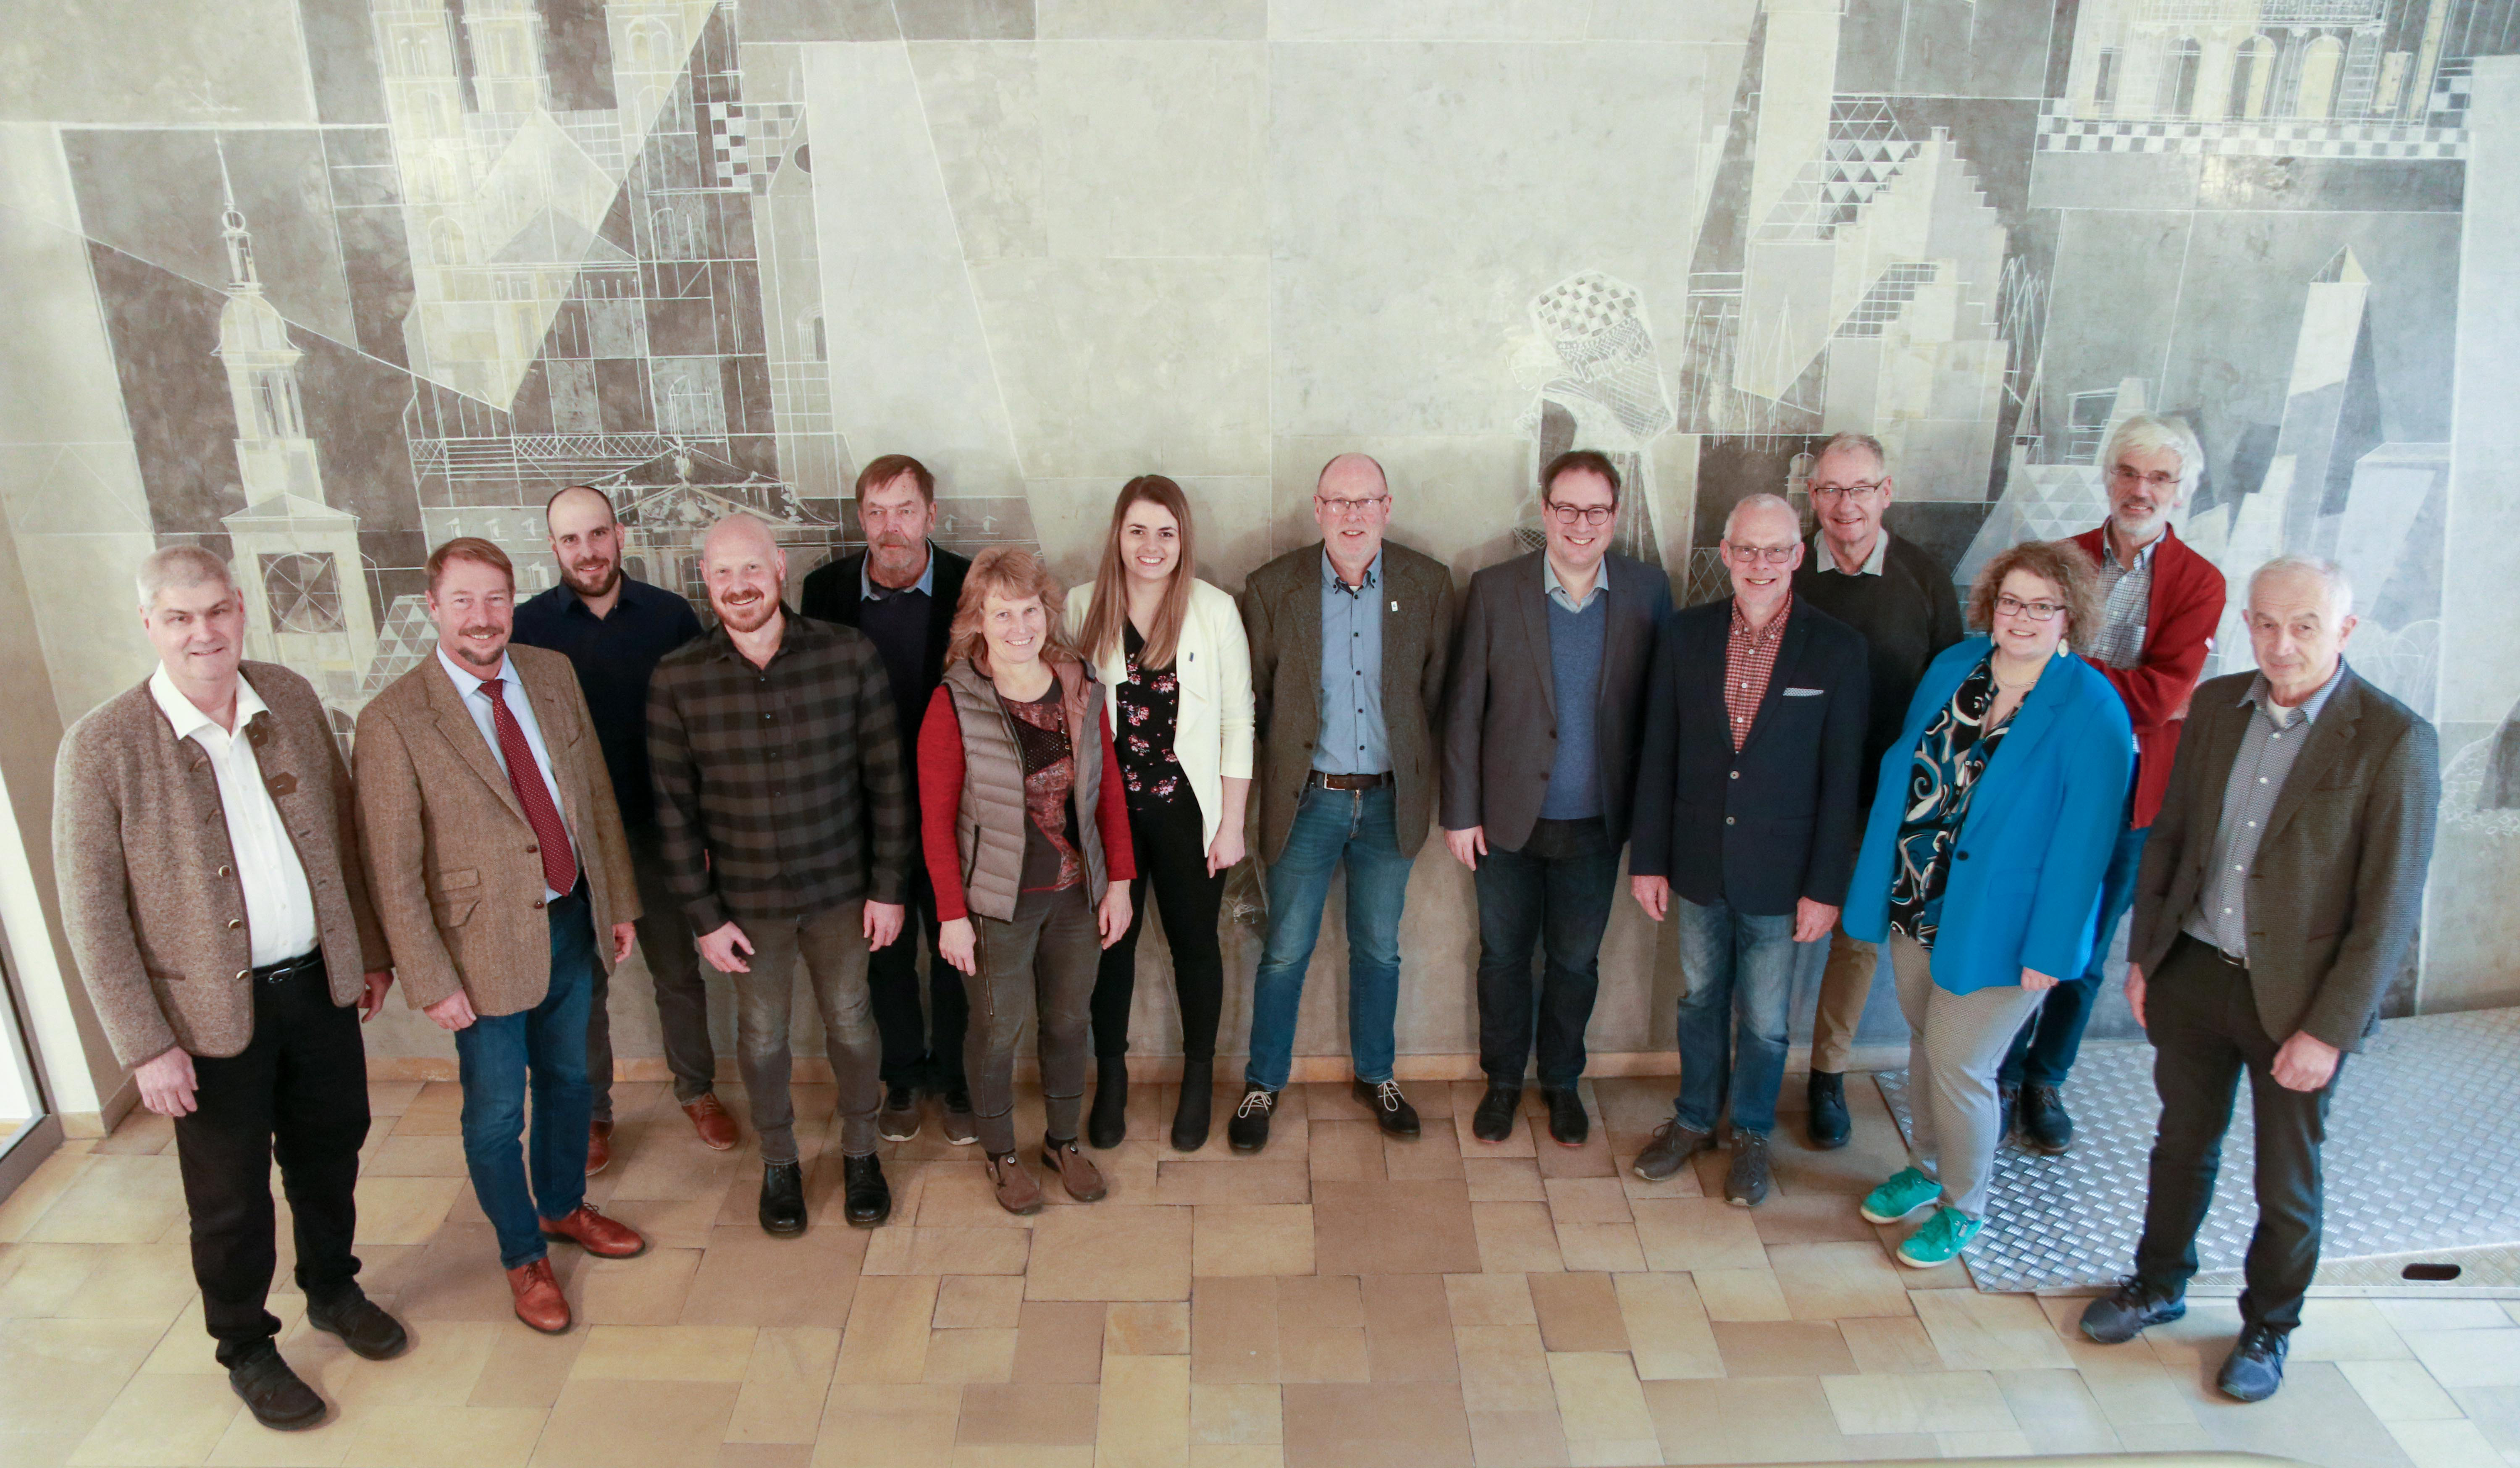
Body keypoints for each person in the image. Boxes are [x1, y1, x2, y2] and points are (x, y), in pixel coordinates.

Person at [54, 547, 405, 1428]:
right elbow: (92, 914)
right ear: (150, 625)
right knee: (230, 1196)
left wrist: (364, 949)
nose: (202, 632)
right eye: (179, 617)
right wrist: (147, 1045)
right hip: (202, 1019)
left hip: (316, 989)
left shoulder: (287, 695)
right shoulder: (100, 745)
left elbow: (342, 828)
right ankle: (246, 1344)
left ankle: (333, 1287)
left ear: (241, 609)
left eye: (215, 611)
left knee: (331, 1150)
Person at [2079, 557, 2438, 1403]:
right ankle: (2157, 1282)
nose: (2282, 644)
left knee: (2287, 1177)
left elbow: (2389, 910)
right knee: (2181, 1145)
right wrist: (2147, 958)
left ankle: (2269, 1326)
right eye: (2266, 624)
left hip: (2301, 1004)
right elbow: (2171, 836)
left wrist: (2330, 1030)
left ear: (2344, 630)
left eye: (2305, 626)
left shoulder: (2394, 738)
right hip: (2195, 973)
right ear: (2246, 624)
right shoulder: (2214, 705)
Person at [355, 538, 648, 1335]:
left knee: (571, 1083)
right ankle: (523, 1255)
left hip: (569, 919)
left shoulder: (551, 674)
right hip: (474, 953)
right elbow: (391, 868)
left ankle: (562, 1205)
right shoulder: (393, 720)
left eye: (496, 598)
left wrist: (617, 902)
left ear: (513, 602)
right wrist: (429, 977)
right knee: (493, 1117)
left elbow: (592, 796)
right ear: (433, 608)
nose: (482, 617)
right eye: (463, 601)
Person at [1840, 539, 2132, 1268]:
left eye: (2042, 606)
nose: (2022, 618)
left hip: (2008, 927)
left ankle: (1964, 1205)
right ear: (1991, 605)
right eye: (2011, 602)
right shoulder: (1955, 666)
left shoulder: (2092, 708)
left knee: (1961, 1063)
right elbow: (1906, 772)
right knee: (1924, 1039)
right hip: (1918, 898)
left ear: (2070, 616)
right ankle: (1926, 1167)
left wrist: (2052, 949)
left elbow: (2086, 847)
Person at [648, 515, 909, 1235]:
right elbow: (673, 813)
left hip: (842, 892)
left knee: (852, 1024)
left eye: (752, 569)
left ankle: (862, 1152)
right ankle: (780, 1162)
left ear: (781, 569)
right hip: (745, 905)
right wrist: (704, 918)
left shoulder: (847, 655)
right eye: (723, 572)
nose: (739, 586)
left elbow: (889, 784)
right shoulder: (677, 679)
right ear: (706, 580)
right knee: (762, 1038)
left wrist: (889, 888)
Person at [1627, 494, 1867, 1205]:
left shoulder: (1838, 649)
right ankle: (1695, 1118)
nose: (1760, 564)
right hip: (1698, 862)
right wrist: (1649, 859)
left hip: (1783, 875)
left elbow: (1843, 782)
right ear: (1726, 555)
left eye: (1776, 551)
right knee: (1699, 999)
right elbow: (1658, 754)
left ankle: (1753, 1132)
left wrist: (1826, 887)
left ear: (1798, 556)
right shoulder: (1685, 634)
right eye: (1747, 550)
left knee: (1765, 1019)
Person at [2000, 414, 2225, 1153]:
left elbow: (2162, 698)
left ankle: (2045, 1080)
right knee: (2020, 928)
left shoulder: (2200, 582)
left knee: (2087, 950)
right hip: (2048, 783)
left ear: (2181, 490)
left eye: (2160, 477)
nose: (2141, 489)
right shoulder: (2059, 562)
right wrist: (2075, 675)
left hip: (2134, 796)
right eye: (2129, 472)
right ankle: (1998, 1072)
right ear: (2108, 477)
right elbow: (2023, 663)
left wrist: (2070, 672)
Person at [1442, 450, 1671, 1149]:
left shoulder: (1647, 591)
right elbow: (1463, 710)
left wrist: (1652, 832)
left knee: (1575, 964)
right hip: (1505, 822)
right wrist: (1461, 812)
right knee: (1503, 959)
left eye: (1596, 510)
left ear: (1615, 515)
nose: (1581, 523)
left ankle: (1563, 1083)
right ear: (1544, 512)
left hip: (1597, 824)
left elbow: (1662, 719)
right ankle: (1503, 1082)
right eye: (1566, 508)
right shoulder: (1495, 589)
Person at [1231, 454, 1457, 1152]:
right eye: (1339, 501)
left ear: (1388, 508)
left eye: (1366, 502)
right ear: (1318, 508)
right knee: (1284, 951)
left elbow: (1434, 695)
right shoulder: (1273, 588)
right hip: (1307, 804)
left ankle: (1377, 1075)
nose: (1353, 515)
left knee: (1380, 950)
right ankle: (1263, 1082)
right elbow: (1258, 700)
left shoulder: (1428, 584)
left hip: (1390, 803)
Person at [510, 485, 724, 1170]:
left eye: (597, 534)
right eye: (571, 539)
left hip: (660, 828)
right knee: (584, 983)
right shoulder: (525, 628)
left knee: (677, 970)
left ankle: (697, 1090)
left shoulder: (669, 616)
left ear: (619, 535)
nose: (587, 551)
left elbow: (704, 726)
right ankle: (593, 1113)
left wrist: (705, 828)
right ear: (554, 547)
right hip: (574, 837)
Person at [918, 547, 1135, 1213]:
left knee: (1069, 1023)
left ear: (1048, 613)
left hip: (1075, 895)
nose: (1019, 627)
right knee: (997, 1031)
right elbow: (935, 822)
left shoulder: (1079, 685)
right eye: (1002, 613)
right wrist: (951, 915)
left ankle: (1063, 1142)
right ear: (978, 622)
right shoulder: (954, 701)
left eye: (1029, 610)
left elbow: (1108, 793)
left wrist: (1119, 884)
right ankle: (1001, 1155)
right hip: (994, 905)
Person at [1065, 475, 1254, 1152]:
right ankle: (1111, 1079)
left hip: (1188, 812)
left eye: (1166, 533)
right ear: (1118, 535)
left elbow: (1237, 720)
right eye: (1138, 530)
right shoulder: (1082, 606)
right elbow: (1065, 718)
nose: (1152, 546)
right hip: (1109, 817)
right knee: (1110, 948)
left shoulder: (1213, 609)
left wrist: (1232, 825)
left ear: (1183, 539)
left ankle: (1198, 1077)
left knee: (1195, 947)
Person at [1791, 431, 1966, 1149]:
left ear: (1886, 493)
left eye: (1860, 489)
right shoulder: (1786, 567)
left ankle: (1827, 1074)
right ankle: (1752, 1065)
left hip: (1882, 800)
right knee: (1765, 931)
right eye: (1831, 490)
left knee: (1857, 938)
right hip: (1791, 792)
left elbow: (1955, 699)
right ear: (1812, 497)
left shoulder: (1924, 579)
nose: (1846, 506)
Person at [800, 456, 977, 1145]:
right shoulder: (826, 592)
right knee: (886, 952)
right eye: (875, 512)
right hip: (865, 812)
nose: (889, 527)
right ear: (861, 519)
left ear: (931, 515)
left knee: (957, 948)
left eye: (904, 510)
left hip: (956, 806)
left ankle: (957, 1079)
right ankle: (903, 1076)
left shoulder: (968, 584)